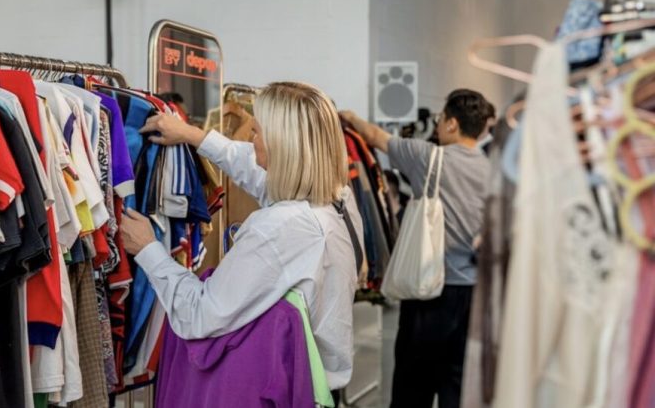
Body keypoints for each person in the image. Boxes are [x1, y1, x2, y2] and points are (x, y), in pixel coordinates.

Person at [119, 82, 365, 403]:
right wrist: (193, 136)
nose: (251, 140)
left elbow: (201, 314)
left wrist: (148, 248)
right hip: (318, 384)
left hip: (290, 390)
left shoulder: (280, 228)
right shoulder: (336, 200)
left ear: (282, 146)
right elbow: (253, 168)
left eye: (257, 132)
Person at [340, 89, 492, 408]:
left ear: (452, 123)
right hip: (475, 295)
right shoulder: (493, 169)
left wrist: (350, 117)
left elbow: (376, 137)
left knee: (413, 386)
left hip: (429, 291)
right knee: (457, 386)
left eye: (440, 119)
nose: (437, 125)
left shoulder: (428, 157)